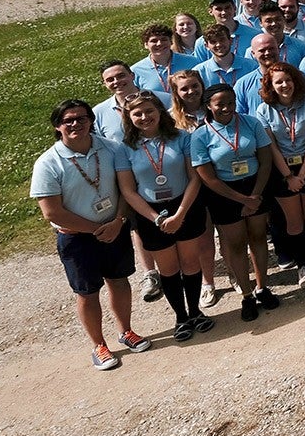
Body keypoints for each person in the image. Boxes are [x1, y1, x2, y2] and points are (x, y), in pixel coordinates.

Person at [30, 99, 153, 370]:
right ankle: (99, 344)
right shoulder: (48, 163)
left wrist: (118, 221)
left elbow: (125, 189)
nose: (76, 124)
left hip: (114, 227)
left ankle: (126, 331)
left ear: (91, 121)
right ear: (57, 126)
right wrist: (98, 230)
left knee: (119, 281)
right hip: (77, 238)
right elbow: (52, 212)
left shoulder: (112, 149)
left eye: (82, 118)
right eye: (68, 120)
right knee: (87, 292)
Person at [118, 92, 212, 341]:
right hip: (150, 214)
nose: (144, 117)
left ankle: (195, 311)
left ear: (160, 111)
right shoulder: (125, 148)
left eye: (149, 111)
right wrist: (157, 219)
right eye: (137, 113)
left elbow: (194, 178)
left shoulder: (181, 138)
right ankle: (180, 317)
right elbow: (128, 190)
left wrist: (180, 213)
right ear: (129, 117)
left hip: (185, 206)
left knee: (191, 263)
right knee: (168, 269)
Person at [190, 83, 281, 322]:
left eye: (230, 102)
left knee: (259, 238)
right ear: (209, 105)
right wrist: (242, 200)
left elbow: (265, 160)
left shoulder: (251, 123)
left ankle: (262, 287)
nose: (227, 108)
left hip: (255, 187)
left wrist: (254, 196)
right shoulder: (201, 135)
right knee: (236, 245)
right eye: (220, 104)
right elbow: (207, 176)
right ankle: (247, 295)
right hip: (224, 193)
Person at [253, 63, 305, 287]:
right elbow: (271, 147)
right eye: (278, 82)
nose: (284, 85)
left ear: (295, 81)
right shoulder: (263, 110)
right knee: (294, 222)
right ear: (270, 85)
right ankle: (302, 266)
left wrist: (302, 174)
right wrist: (289, 176)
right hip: (282, 170)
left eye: (288, 80)